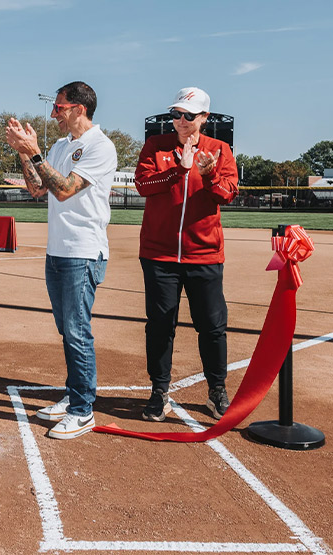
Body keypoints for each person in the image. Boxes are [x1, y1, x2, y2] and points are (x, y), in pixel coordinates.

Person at [6, 81, 117, 439]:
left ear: (78, 109)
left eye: (59, 107)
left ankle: (83, 410)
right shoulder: (59, 145)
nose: (54, 113)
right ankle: (73, 396)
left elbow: (66, 189)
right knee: (67, 330)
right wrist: (25, 153)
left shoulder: (100, 146)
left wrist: (34, 152)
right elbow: (39, 189)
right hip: (59, 249)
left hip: (83, 251)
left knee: (76, 330)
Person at [134, 87, 238, 422]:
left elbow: (227, 195)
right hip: (159, 255)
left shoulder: (220, 150)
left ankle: (216, 391)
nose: (180, 121)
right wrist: (179, 169)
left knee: (211, 326)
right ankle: (159, 391)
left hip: (204, 255)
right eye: (176, 115)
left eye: (188, 116)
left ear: (204, 118)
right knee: (160, 325)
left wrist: (208, 174)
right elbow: (143, 185)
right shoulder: (156, 146)